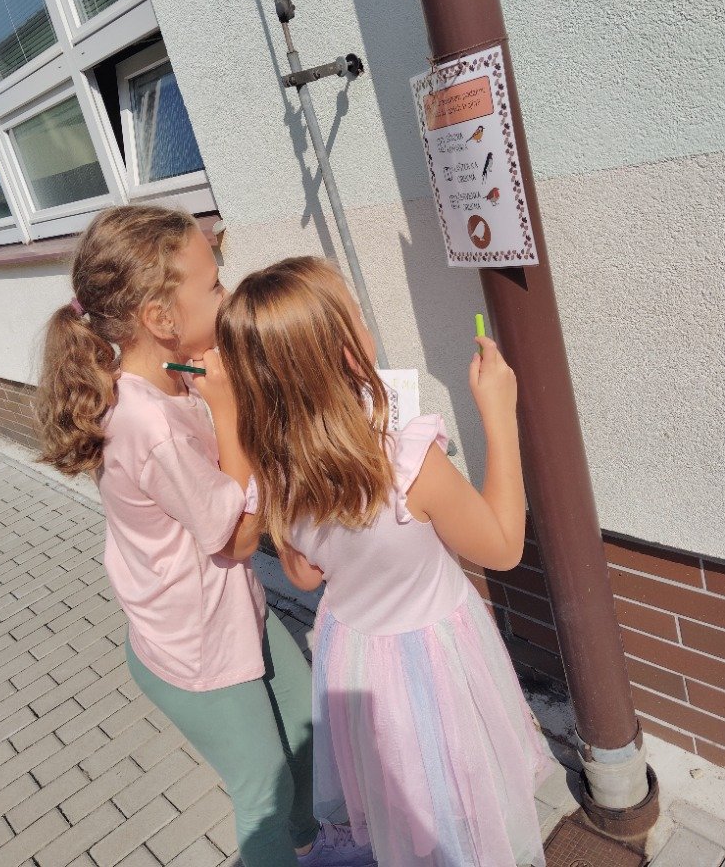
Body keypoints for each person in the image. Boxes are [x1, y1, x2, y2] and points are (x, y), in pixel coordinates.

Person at [35, 207, 376, 867]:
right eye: (214, 284)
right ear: (160, 318)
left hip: (231, 613)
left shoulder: (175, 374)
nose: (226, 293)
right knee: (265, 794)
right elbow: (239, 540)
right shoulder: (147, 425)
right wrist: (230, 411)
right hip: (194, 649)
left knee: (306, 732)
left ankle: (313, 847)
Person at [215, 256, 554, 867]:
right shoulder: (408, 464)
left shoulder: (275, 474)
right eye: (359, 319)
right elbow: (504, 547)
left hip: (360, 661)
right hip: (440, 659)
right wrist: (499, 415)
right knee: (459, 790)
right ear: (347, 355)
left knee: (404, 797)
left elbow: (304, 574)